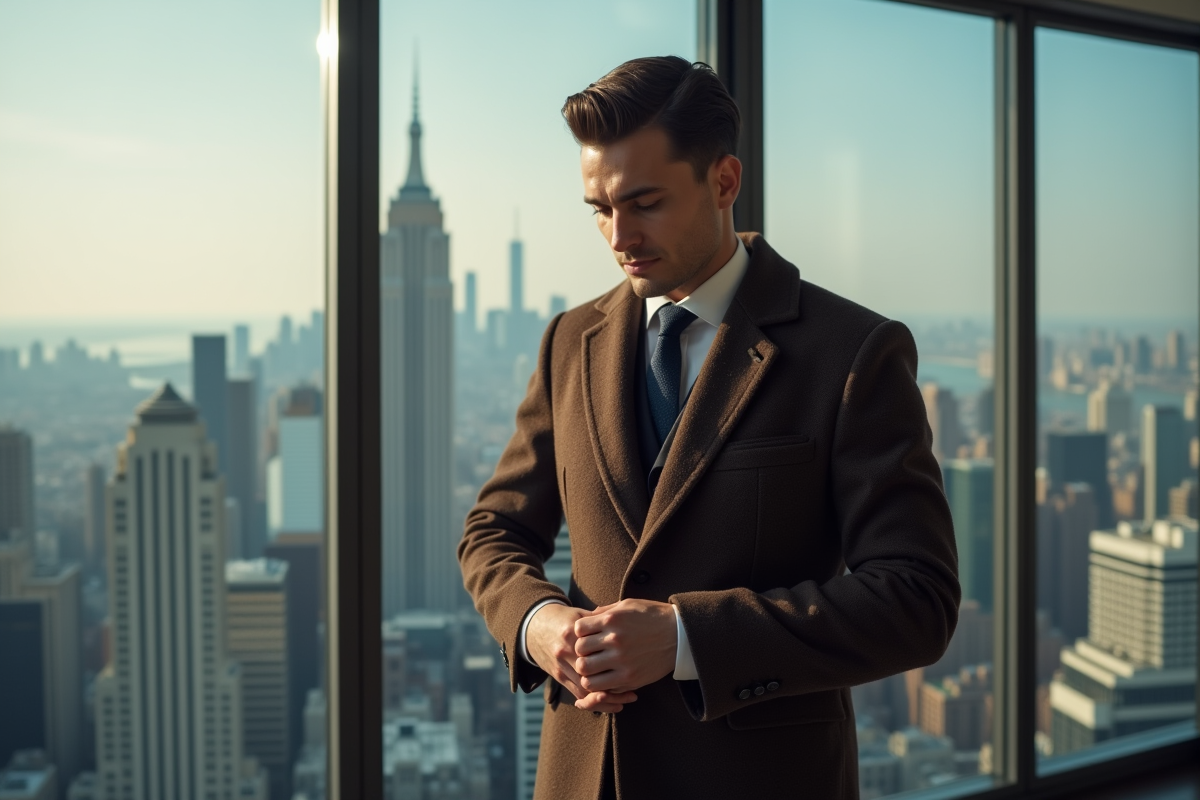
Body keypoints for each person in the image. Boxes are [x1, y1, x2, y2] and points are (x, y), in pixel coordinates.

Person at [458, 55, 960, 800]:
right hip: (584, 774)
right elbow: (492, 532)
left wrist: (689, 640)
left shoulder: (851, 352)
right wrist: (541, 627)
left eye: (644, 202)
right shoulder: (569, 340)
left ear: (724, 182)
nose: (618, 235)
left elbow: (916, 599)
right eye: (598, 207)